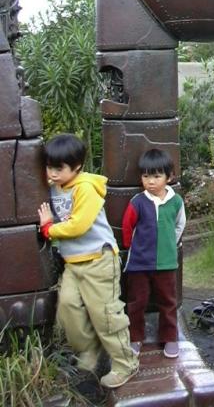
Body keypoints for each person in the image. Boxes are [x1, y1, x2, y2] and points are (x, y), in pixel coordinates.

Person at [37, 134, 139, 389]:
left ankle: (126, 363)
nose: (53, 173)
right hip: (74, 263)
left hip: (99, 260)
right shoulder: (53, 187)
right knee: (68, 308)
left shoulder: (85, 188)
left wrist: (49, 229)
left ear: (77, 167)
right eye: (50, 167)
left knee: (105, 315)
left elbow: (79, 225)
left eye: (59, 168)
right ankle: (89, 349)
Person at [122, 149, 186, 358]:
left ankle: (169, 338)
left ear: (169, 177)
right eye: (146, 176)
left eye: (157, 176)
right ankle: (135, 337)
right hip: (139, 264)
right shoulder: (137, 201)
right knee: (136, 302)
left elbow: (179, 225)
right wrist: (133, 246)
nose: (150, 181)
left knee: (168, 302)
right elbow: (127, 226)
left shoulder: (175, 202)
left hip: (167, 263)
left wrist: (169, 244)